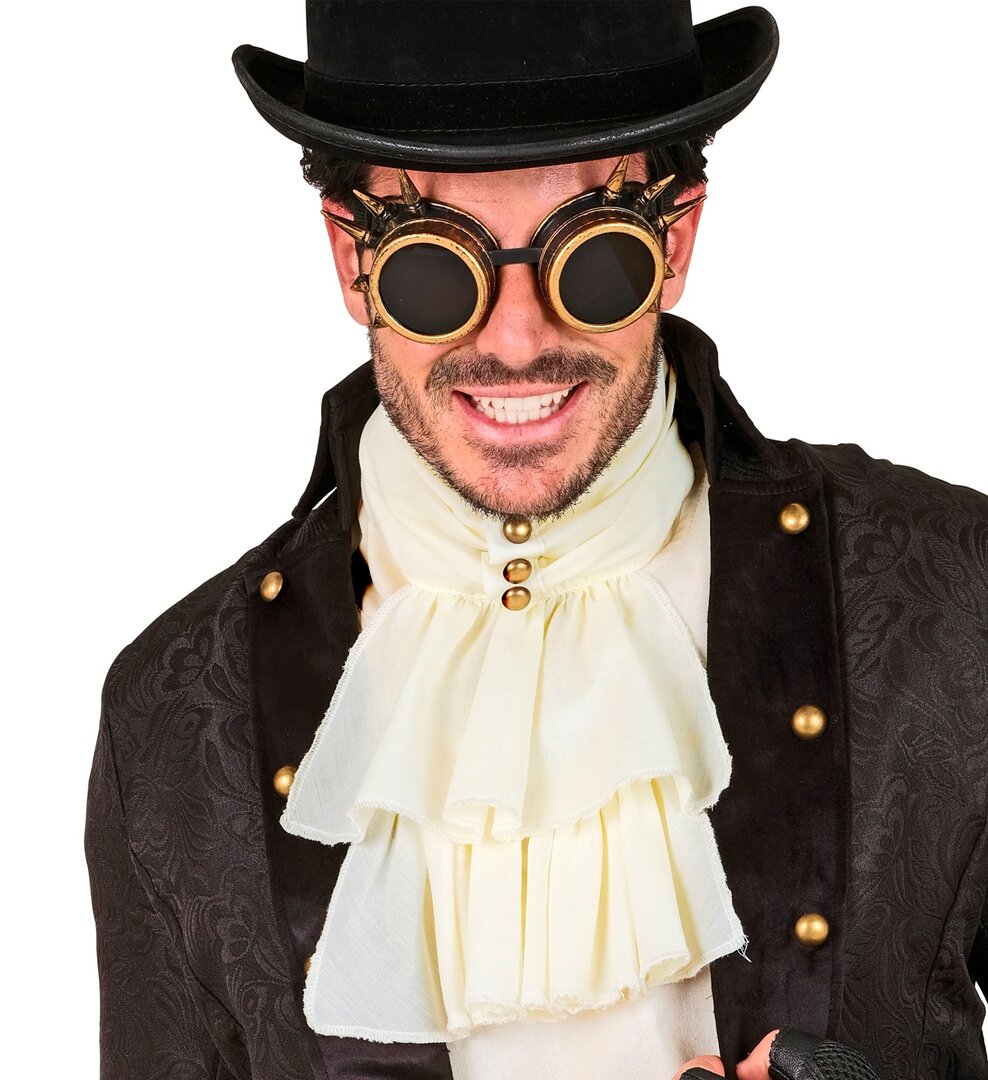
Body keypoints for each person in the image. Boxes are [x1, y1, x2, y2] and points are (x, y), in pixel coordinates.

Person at [84, 3, 988, 1079]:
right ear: (349, 257)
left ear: (674, 240)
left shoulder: (952, 602)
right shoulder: (174, 718)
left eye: (592, 258)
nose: (516, 340)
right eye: (434, 268)